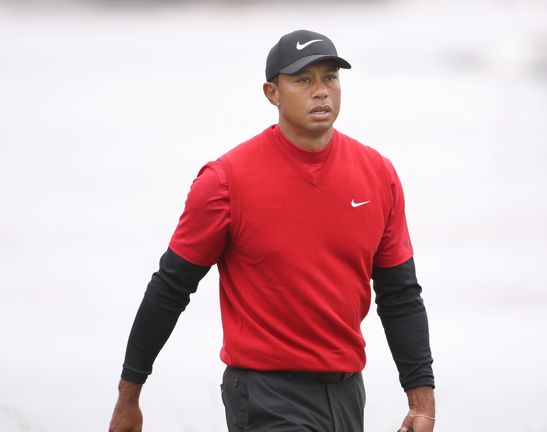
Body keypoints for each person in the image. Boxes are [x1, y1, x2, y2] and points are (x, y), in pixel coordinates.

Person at [108, 29, 435, 432]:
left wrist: (422, 400)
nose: (321, 91)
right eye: (303, 80)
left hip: (348, 394)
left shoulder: (377, 174)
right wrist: (130, 395)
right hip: (265, 394)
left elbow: (400, 293)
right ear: (272, 93)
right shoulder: (225, 182)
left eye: (330, 77)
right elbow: (170, 288)